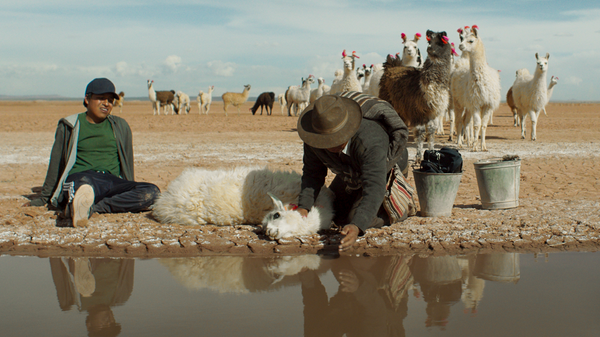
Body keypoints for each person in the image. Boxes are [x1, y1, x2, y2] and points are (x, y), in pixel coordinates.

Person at [26, 78, 160, 226]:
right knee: (82, 185)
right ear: (87, 99)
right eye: (101, 98)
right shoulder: (70, 125)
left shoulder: (120, 126)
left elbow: (127, 160)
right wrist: (45, 198)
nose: (106, 103)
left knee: (152, 192)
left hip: (110, 181)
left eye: (110, 100)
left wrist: (128, 186)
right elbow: (56, 162)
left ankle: (91, 207)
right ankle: (81, 203)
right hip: (82, 178)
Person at [296, 92, 409, 251]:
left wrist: (357, 226)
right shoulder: (314, 139)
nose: (329, 145)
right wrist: (303, 207)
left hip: (385, 163)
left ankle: (395, 211)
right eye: (326, 141)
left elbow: (374, 186)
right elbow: (312, 173)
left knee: (354, 218)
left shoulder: (370, 141)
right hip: (352, 167)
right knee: (334, 210)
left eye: (336, 139)